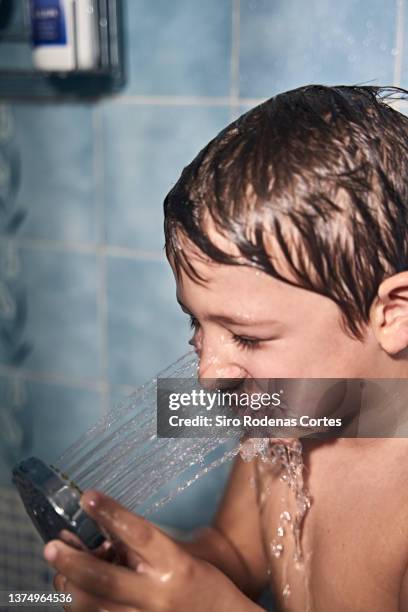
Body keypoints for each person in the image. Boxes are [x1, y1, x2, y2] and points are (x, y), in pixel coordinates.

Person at [44, 84, 408, 611]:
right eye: (196, 322)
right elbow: (234, 552)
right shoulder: (282, 423)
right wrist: (156, 581)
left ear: (394, 314)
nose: (209, 375)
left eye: (247, 337)